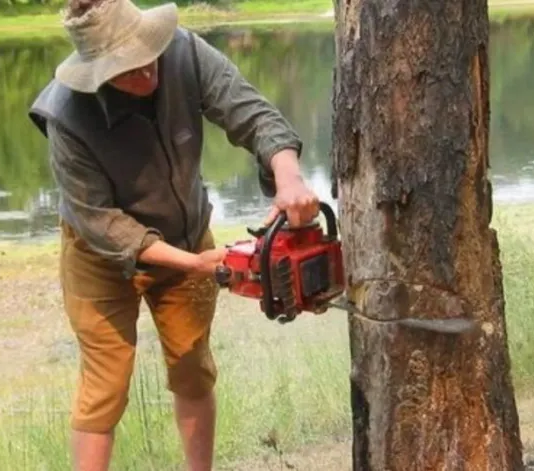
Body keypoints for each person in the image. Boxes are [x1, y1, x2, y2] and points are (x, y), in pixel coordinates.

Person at [26, 0, 320, 469]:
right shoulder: (65, 115)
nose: (146, 75)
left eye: (148, 58)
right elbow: (102, 222)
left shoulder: (183, 51)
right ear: (97, 74)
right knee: (106, 385)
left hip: (184, 231)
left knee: (192, 369)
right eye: (128, 72)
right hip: (99, 255)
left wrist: (289, 179)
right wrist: (197, 264)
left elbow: (252, 113)